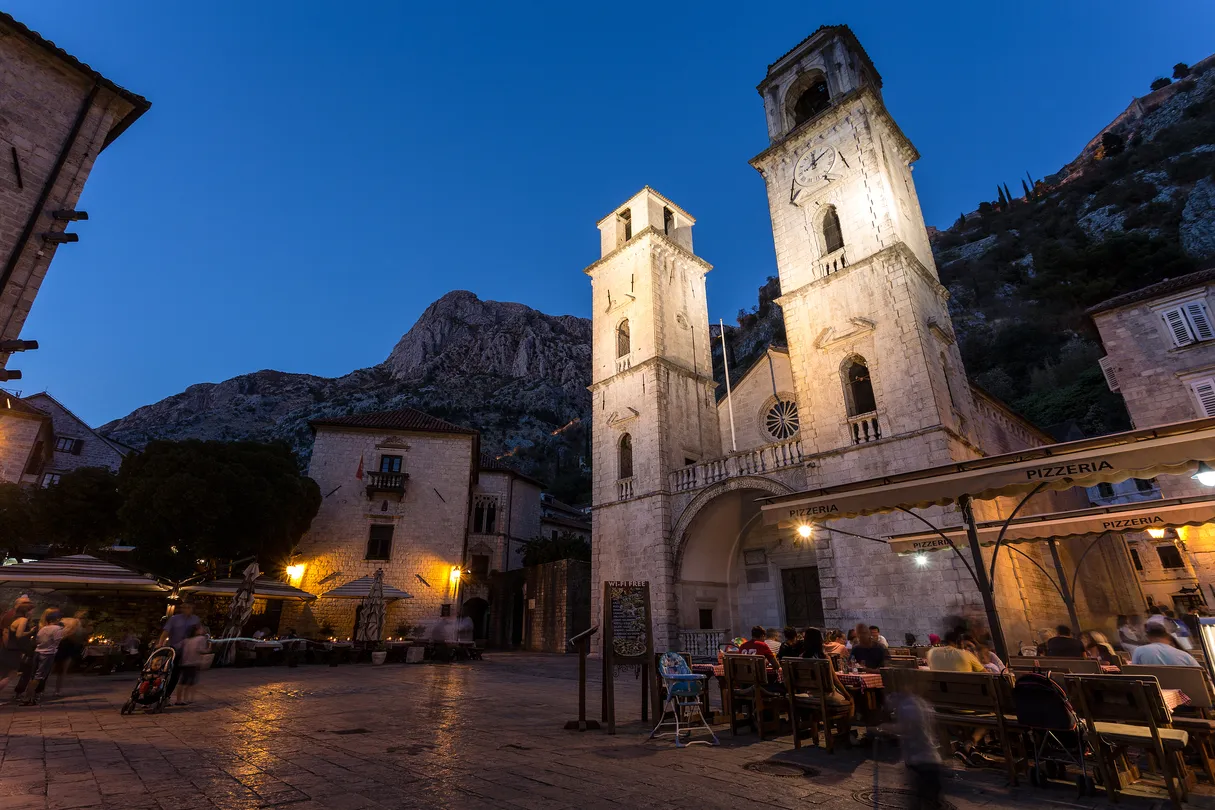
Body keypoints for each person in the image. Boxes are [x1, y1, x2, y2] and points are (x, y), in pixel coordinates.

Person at [157, 602, 201, 701]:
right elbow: (166, 631)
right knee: (173, 674)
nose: (187, 609)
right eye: (184, 607)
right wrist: (161, 643)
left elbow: (199, 631)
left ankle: (180, 698)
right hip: (175, 649)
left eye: (189, 607)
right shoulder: (174, 619)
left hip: (188, 652)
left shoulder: (195, 619)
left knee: (186, 676)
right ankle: (164, 695)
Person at [24, 609, 64, 705]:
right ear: (57, 619)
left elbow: (37, 640)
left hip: (38, 652)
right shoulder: (57, 629)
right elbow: (58, 640)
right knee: (39, 676)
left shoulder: (43, 628)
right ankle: (29, 698)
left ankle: (28, 697)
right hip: (48, 653)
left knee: (33, 675)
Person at [51, 610, 87, 699]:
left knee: (56, 668)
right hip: (67, 645)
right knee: (62, 669)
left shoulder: (66, 620)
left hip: (61, 644)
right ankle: (57, 690)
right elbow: (74, 634)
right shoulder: (76, 623)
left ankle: (52, 689)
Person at [0, 595, 33, 691]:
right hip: (11, 650)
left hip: (8, 650)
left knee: (5, 673)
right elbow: (6, 633)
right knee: (10, 674)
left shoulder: (14, 616)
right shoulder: (14, 617)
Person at [1131, 625, 1200, 666]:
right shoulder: (1185, 655)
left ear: (1148, 637)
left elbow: (1135, 673)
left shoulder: (1139, 650)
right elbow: (1203, 677)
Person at [175, 625, 208, 705]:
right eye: (201, 628)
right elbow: (200, 650)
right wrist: (208, 649)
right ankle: (187, 699)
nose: (203, 629)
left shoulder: (186, 640)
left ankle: (179, 699)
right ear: (196, 631)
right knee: (190, 682)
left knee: (182, 681)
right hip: (193, 662)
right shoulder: (201, 639)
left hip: (184, 662)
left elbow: (177, 647)